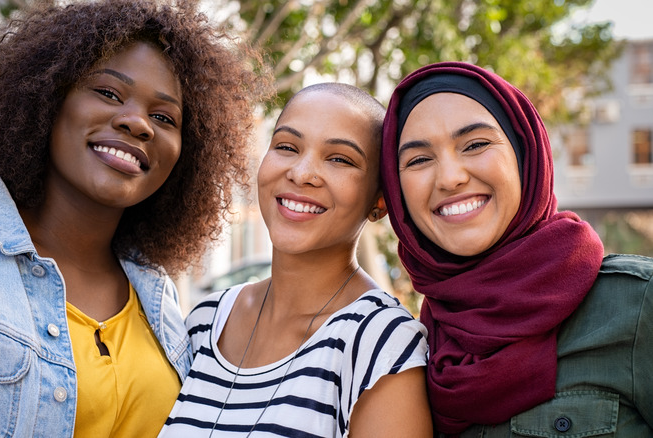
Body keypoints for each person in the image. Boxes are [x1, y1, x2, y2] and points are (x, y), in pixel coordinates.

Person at [0, 0, 271, 436]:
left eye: (163, 117)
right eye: (108, 93)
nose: (138, 123)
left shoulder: (156, 294)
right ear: (46, 98)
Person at [380, 61, 653, 437]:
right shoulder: (406, 349)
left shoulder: (635, 306)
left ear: (526, 155)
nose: (450, 177)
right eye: (419, 160)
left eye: (475, 144)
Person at [158, 83, 432, 438]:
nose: (301, 173)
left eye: (339, 159)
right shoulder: (206, 321)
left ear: (380, 201)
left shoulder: (382, 342)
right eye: (286, 147)